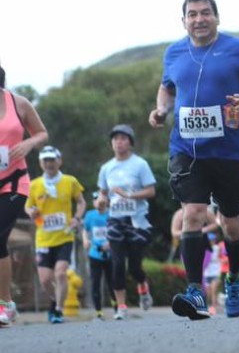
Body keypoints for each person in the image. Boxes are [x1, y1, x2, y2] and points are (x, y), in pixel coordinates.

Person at [149, 0, 239, 319]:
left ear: (217, 17)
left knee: (231, 224)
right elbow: (167, 86)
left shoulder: (238, 49)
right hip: (187, 150)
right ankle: (196, 293)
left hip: (229, 152)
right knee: (193, 212)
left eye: (205, 13)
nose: (199, 19)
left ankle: (234, 279)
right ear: (184, 21)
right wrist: (161, 109)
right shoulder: (174, 52)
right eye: (192, 15)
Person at [0, 63, 48, 327]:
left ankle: (5, 304)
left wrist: (29, 143)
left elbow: (41, 133)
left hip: (14, 182)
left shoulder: (19, 104)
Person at [97, 124, 156, 320]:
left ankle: (142, 285)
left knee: (134, 266)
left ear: (130, 142)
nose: (119, 142)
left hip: (137, 221)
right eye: (115, 139)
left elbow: (151, 191)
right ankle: (121, 306)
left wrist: (130, 195)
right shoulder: (106, 168)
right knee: (117, 262)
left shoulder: (140, 164)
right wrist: (100, 202)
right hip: (115, 220)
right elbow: (102, 194)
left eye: (123, 138)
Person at [26, 146, 86, 323]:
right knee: (45, 279)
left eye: (52, 160)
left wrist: (77, 217)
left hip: (64, 237)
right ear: (40, 163)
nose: (49, 163)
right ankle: (54, 300)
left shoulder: (70, 181)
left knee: (60, 274)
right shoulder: (34, 184)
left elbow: (81, 202)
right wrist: (31, 212)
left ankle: (59, 310)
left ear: (59, 161)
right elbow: (28, 206)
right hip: (43, 239)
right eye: (45, 160)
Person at [84, 195, 116, 320]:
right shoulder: (89, 215)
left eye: (102, 199)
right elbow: (85, 230)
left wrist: (111, 243)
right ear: (93, 202)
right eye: (96, 199)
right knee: (95, 283)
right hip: (94, 254)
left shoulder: (112, 215)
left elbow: (116, 231)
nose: (99, 201)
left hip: (110, 254)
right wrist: (85, 240)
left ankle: (117, 309)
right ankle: (98, 312)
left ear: (107, 201)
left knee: (112, 283)